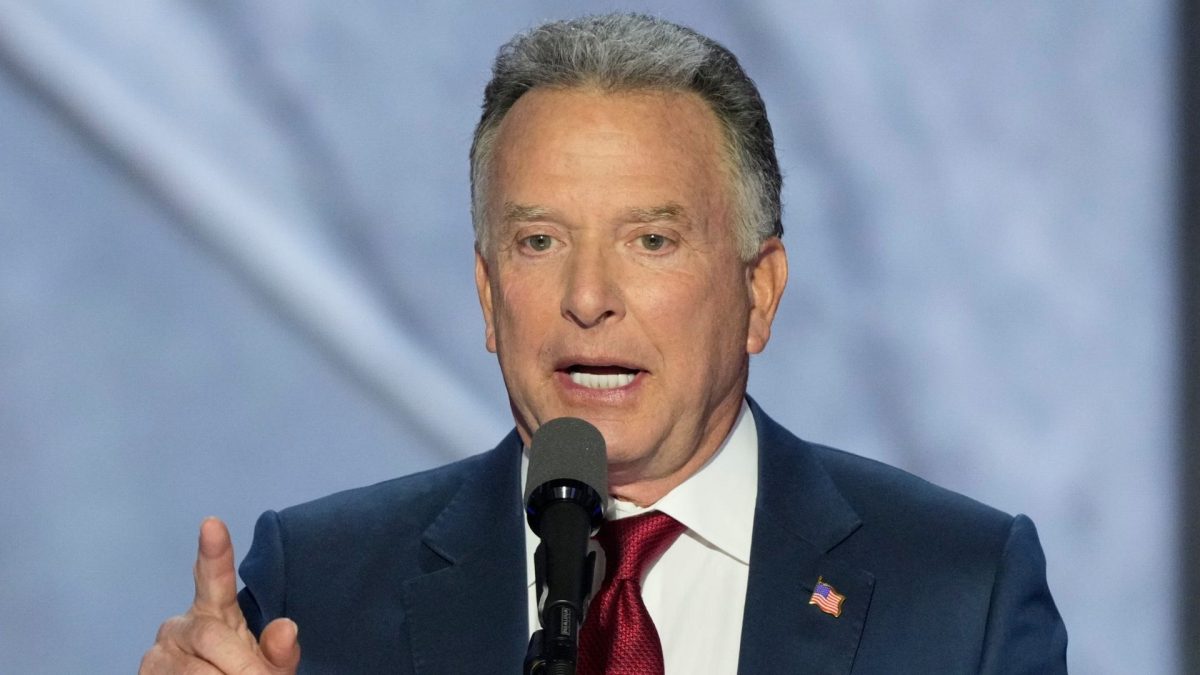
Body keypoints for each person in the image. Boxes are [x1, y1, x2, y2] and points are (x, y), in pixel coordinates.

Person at [140, 13, 1067, 674]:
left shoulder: (960, 592)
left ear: (759, 289)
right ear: (489, 294)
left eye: (651, 241)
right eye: (539, 242)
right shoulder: (318, 584)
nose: (588, 298)